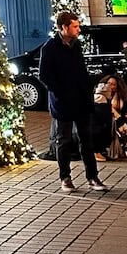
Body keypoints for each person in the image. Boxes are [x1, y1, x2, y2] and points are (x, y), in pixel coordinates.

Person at [39, 10, 108, 193]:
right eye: (75, 26)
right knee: (64, 140)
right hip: (63, 103)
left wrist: (87, 90)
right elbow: (45, 75)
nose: (79, 29)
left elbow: (80, 71)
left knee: (87, 140)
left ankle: (93, 177)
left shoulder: (76, 45)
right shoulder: (50, 47)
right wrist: (61, 93)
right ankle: (65, 178)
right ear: (64, 27)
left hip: (81, 101)